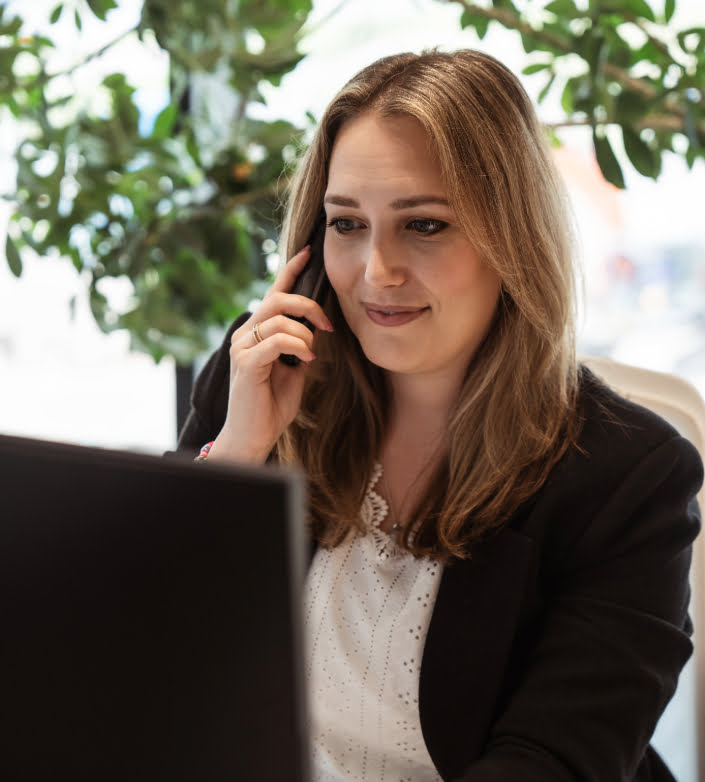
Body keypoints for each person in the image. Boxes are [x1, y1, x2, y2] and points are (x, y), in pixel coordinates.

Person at [177, 49, 703, 781]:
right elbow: (150, 643)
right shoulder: (261, 375)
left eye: (423, 225)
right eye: (346, 223)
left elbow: (551, 762)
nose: (375, 271)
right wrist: (239, 455)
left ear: (512, 238)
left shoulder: (631, 477)